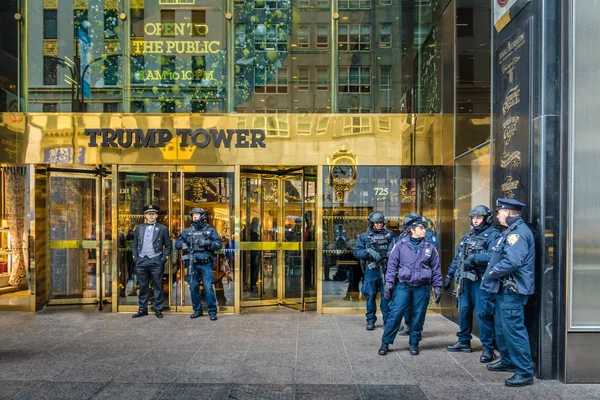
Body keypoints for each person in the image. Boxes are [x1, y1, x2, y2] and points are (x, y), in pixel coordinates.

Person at [481, 198, 535, 387]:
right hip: (504, 289)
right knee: (502, 329)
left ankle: (525, 372)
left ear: (508, 212)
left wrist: (491, 274)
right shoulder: (511, 231)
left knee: (514, 330)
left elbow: (512, 261)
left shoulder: (518, 233)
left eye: (499, 212)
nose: (497, 215)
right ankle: (508, 360)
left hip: (513, 290)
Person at [378, 214, 442, 356]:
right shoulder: (400, 245)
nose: (424, 229)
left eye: (424, 227)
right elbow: (392, 266)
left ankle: (414, 343)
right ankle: (385, 343)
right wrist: (389, 284)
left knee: (418, 316)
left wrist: (438, 286)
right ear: (412, 229)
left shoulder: (430, 247)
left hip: (422, 287)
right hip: (404, 286)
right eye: (421, 227)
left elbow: (436, 268)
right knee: (395, 314)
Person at [443, 205, 499, 363]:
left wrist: (475, 259)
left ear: (487, 219)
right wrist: (449, 275)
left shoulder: (493, 235)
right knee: (464, 310)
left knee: (483, 313)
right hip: (466, 281)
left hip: (481, 281)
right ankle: (463, 341)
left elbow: (494, 256)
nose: (475, 221)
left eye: (479, 218)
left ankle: (488, 349)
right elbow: (458, 258)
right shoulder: (468, 236)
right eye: (473, 218)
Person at [175, 207, 223, 321]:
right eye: (193, 215)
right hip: (192, 264)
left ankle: (212, 311)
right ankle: (197, 310)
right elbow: (177, 244)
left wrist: (207, 243)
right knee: (193, 287)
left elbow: (219, 244)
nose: (194, 217)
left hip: (205, 264)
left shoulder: (210, 230)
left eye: (197, 214)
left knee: (208, 287)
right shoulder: (187, 231)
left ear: (202, 216)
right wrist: (183, 245)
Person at [397, 212, 439, 336]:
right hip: (407, 278)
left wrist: (436, 284)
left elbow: (433, 254)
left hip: (422, 277)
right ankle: (409, 326)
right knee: (407, 306)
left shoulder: (429, 236)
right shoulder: (403, 236)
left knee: (419, 309)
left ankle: (416, 331)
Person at [353, 212, 395, 330]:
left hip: (386, 270)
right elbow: (356, 252)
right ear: (372, 223)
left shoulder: (390, 235)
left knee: (386, 296)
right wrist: (368, 252)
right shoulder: (364, 237)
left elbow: (397, 249)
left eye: (381, 222)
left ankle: (387, 321)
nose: (379, 225)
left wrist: (390, 253)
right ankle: (370, 320)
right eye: (377, 223)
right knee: (370, 296)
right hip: (372, 270)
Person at [131, 204, 172, 319]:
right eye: (149, 214)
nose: (151, 216)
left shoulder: (163, 228)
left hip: (156, 260)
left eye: (153, 214)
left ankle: (158, 309)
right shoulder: (139, 227)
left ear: (156, 215)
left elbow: (168, 246)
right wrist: (136, 258)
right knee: (143, 286)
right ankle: (142, 309)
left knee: (158, 286)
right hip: (141, 260)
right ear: (145, 215)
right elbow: (134, 244)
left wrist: (162, 259)